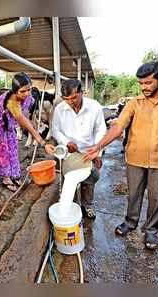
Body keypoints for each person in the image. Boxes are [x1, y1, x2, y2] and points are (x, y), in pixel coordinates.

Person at [83, 62, 158, 250]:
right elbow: (118, 127)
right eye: (141, 84)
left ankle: (151, 230)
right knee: (134, 194)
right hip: (135, 158)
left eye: (148, 83)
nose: (144, 88)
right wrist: (98, 145)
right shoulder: (134, 103)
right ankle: (130, 222)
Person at [0, 72, 55, 191]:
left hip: (8, 121)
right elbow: (25, 122)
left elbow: (27, 116)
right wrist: (42, 143)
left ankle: (15, 174)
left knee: (13, 145)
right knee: (2, 148)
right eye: (22, 91)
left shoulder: (27, 97)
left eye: (28, 89)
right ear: (15, 91)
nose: (27, 93)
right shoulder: (11, 102)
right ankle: (6, 178)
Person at [52, 79, 107, 219]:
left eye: (74, 98)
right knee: (69, 179)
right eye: (67, 99)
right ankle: (73, 206)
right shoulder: (60, 109)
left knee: (89, 179)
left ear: (82, 93)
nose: (70, 102)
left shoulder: (94, 107)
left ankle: (87, 205)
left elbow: (101, 130)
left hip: (89, 151)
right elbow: (56, 130)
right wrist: (66, 141)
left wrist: (98, 152)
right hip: (69, 152)